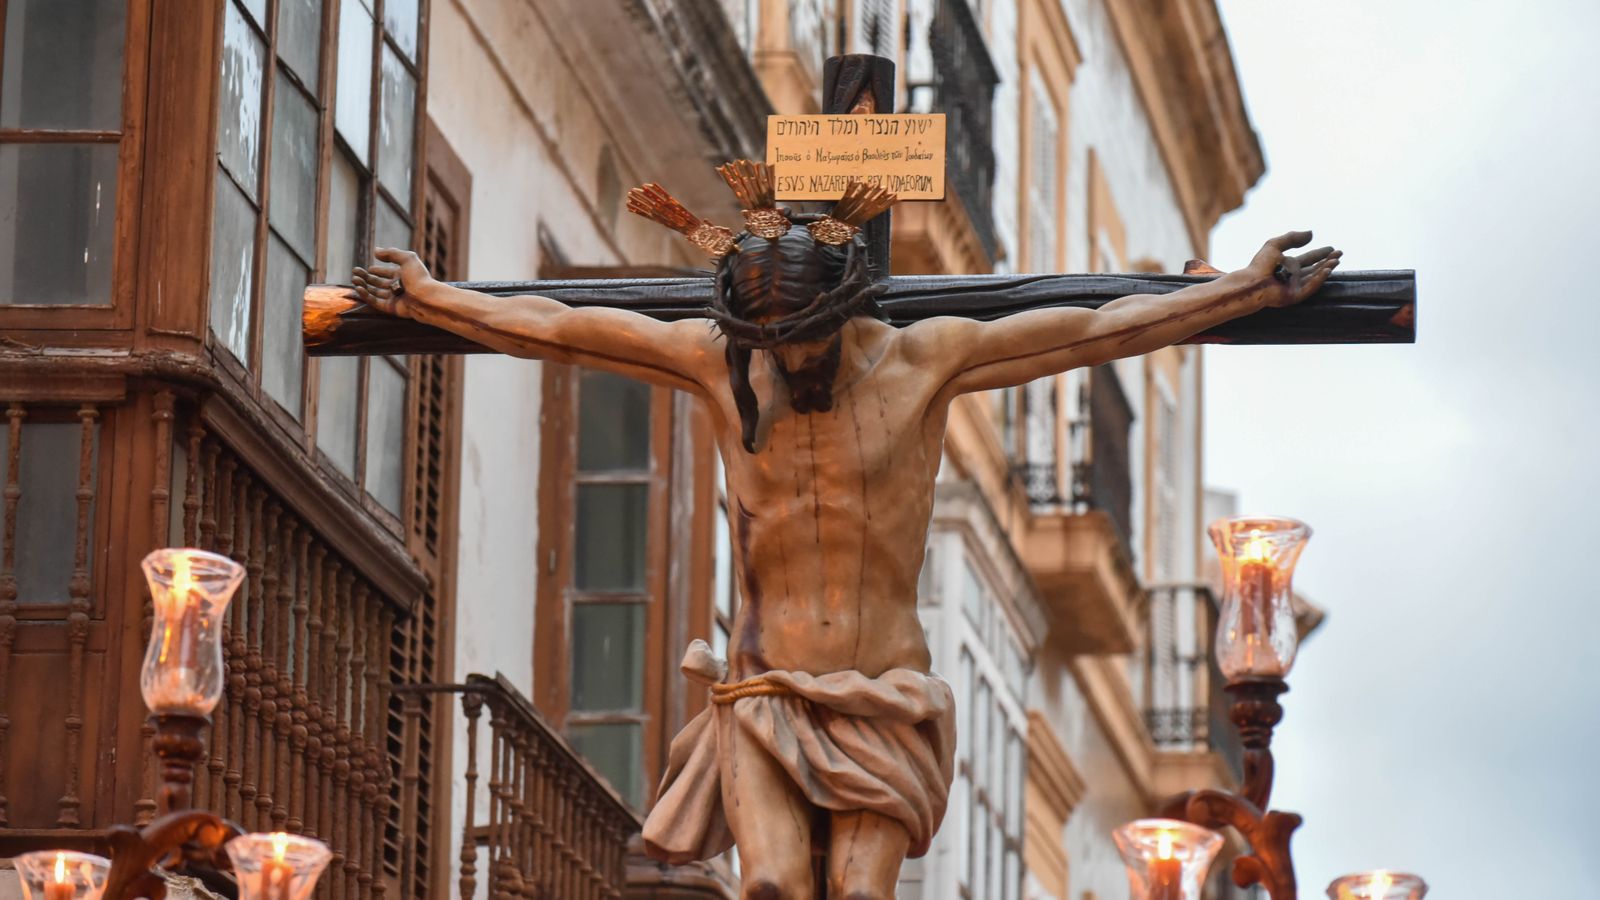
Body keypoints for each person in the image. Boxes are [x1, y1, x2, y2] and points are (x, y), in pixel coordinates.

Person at [351, 178, 1338, 899]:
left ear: (841, 312)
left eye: (803, 345)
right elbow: (563, 330)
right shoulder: (719, 365)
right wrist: (431, 298)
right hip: (765, 692)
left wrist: (1238, 292)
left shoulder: (924, 363)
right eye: (767, 350)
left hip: (883, 698)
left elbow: (1098, 328)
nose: (785, 366)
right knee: (773, 887)